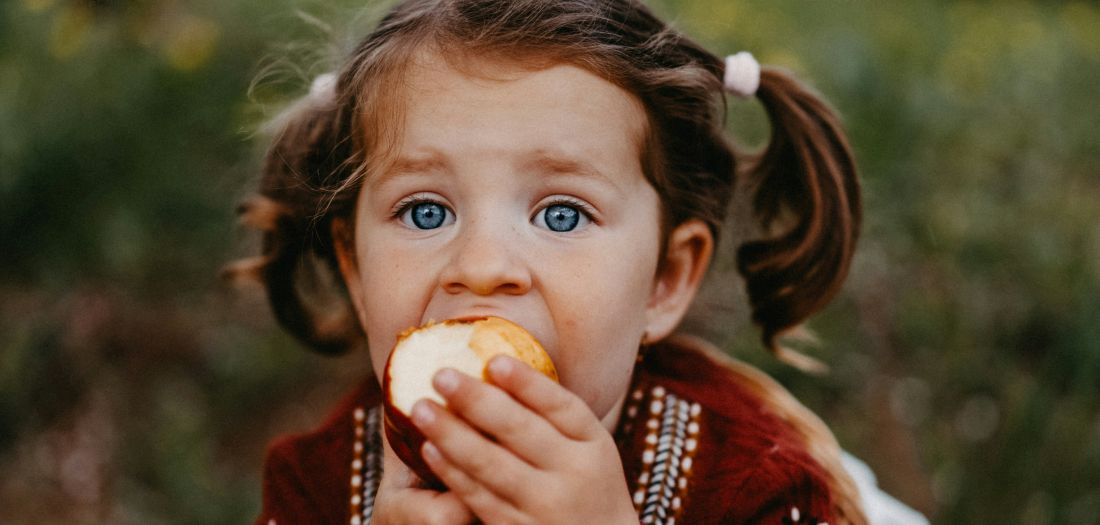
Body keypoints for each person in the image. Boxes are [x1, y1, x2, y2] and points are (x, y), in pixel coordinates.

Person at [230, 0, 882, 523]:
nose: (483, 265)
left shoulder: (755, 487)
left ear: (664, 279)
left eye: (562, 214)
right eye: (426, 212)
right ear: (355, 269)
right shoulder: (311, 488)